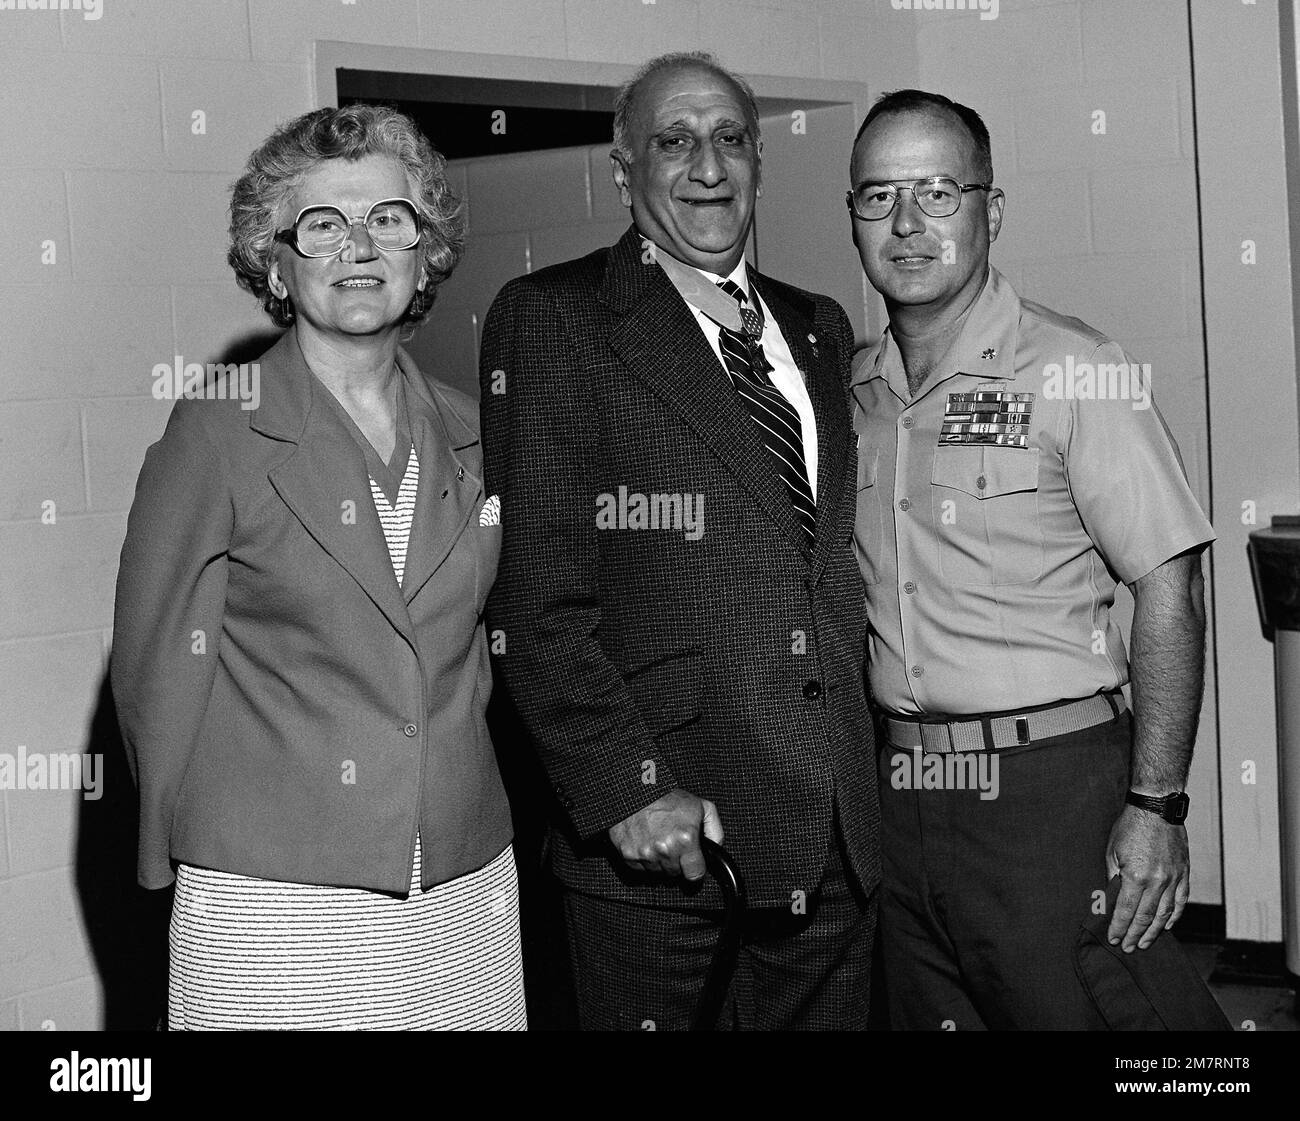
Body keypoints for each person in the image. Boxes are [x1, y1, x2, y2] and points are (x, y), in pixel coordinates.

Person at [479, 51, 878, 1030]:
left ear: (757, 163)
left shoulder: (820, 326)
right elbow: (535, 602)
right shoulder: (554, 319)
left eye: (730, 138)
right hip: (662, 842)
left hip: (833, 840)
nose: (707, 164)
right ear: (624, 171)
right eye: (674, 140)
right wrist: (627, 792)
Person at [111, 104, 526, 1030]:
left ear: (426, 252)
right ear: (276, 259)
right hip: (275, 894)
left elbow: (475, 658)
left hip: (465, 885)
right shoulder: (216, 429)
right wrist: (168, 856)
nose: (360, 246)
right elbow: (154, 671)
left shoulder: (472, 430)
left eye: (388, 218)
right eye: (323, 225)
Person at [847, 89, 1217, 1029]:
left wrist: (1158, 805)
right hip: (901, 796)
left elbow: (1170, 591)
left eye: (938, 191)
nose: (907, 223)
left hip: (1051, 796)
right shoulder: (851, 389)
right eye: (878, 196)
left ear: (990, 210)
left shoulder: (1076, 370)